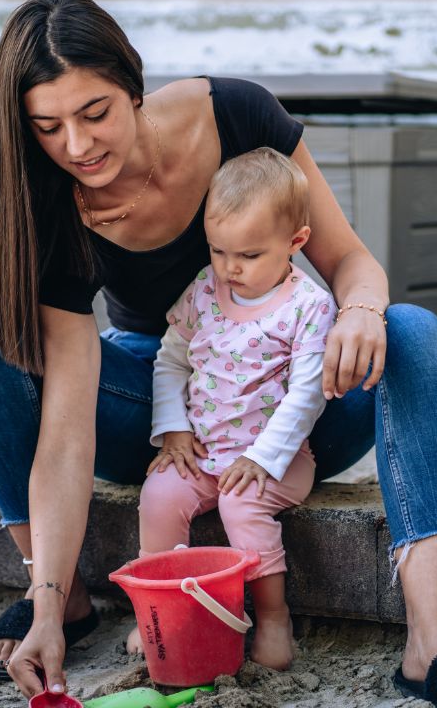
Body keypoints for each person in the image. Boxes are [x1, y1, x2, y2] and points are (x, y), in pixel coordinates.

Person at [0, 0, 437, 705]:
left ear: (132, 84)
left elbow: (351, 263)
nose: (78, 148)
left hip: (293, 410)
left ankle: (436, 640)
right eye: (48, 127)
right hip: (161, 419)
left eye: (95, 114)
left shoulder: (237, 115)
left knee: (413, 330)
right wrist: (49, 603)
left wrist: (361, 309)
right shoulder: (51, 203)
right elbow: (65, 428)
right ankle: (59, 598)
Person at [138, 147, 334, 671]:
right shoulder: (205, 288)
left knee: (240, 505)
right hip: (204, 452)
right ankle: (159, 608)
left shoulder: (309, 307)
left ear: (295, 242)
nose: (229, 268)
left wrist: (264, 458)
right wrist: (174, 429)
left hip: (277, 460)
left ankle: (272, 616)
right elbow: (170, 360)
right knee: (159, 494)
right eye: (219, 250)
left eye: (248, 255)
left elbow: (307, 394)